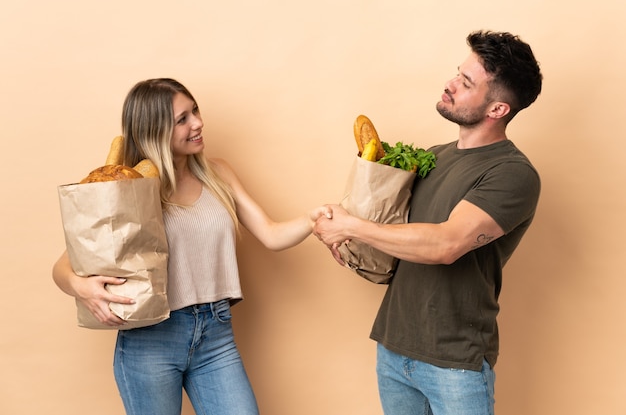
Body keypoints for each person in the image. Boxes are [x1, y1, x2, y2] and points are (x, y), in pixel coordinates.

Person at [52, 78, 331, 415]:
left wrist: (313, 219)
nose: (198, 123)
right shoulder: (130, 189)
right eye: (182, 119)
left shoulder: (218, 173)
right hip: (151, 340)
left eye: (194, 111)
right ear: (154, 130)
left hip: (215, 334)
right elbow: (64, 265)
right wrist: (83, 287)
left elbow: (271, 234)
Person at [313, 30, 542, 415]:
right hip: (393, 347)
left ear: (498, 109)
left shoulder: (513, 174)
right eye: (457, 73)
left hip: (455, 360)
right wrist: (347, 237)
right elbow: (398, 231)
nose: (450, 84)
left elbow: (445, 244)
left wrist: (352, 227)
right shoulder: (434, 157)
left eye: (466, 82)